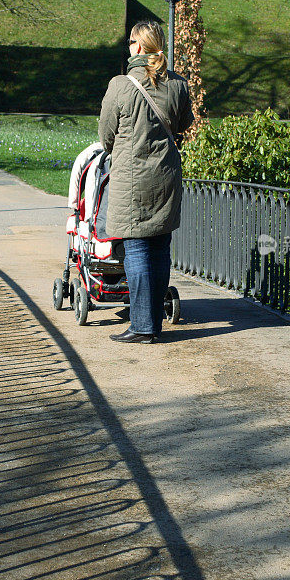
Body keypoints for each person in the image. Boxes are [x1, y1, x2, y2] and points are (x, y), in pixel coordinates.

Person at [98, 20, 194, 343]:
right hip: (166, 180)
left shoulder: (120, 86)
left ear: (139, 47)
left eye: (130, 42)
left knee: (137, 250)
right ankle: (152, 322)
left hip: (132, 182)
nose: (128, 46)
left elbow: (105, 136)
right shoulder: (179, 86)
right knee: (160, 248)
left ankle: (143, 325)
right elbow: (184, 124)